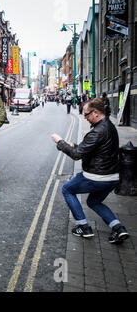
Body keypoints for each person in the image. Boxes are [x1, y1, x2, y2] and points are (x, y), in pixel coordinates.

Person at [51, 98, 129, 244]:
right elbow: (86, 148)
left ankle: (83, 227)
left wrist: (60, 142)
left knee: (67, 189)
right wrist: (72, 144)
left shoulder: (97, 131)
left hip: (96, 177)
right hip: (112, 177)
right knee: (94, 201)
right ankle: (118, 228)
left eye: (86, 114)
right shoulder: (109, 126)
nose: (85, 118)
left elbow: (76, 155)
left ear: (96, 113)